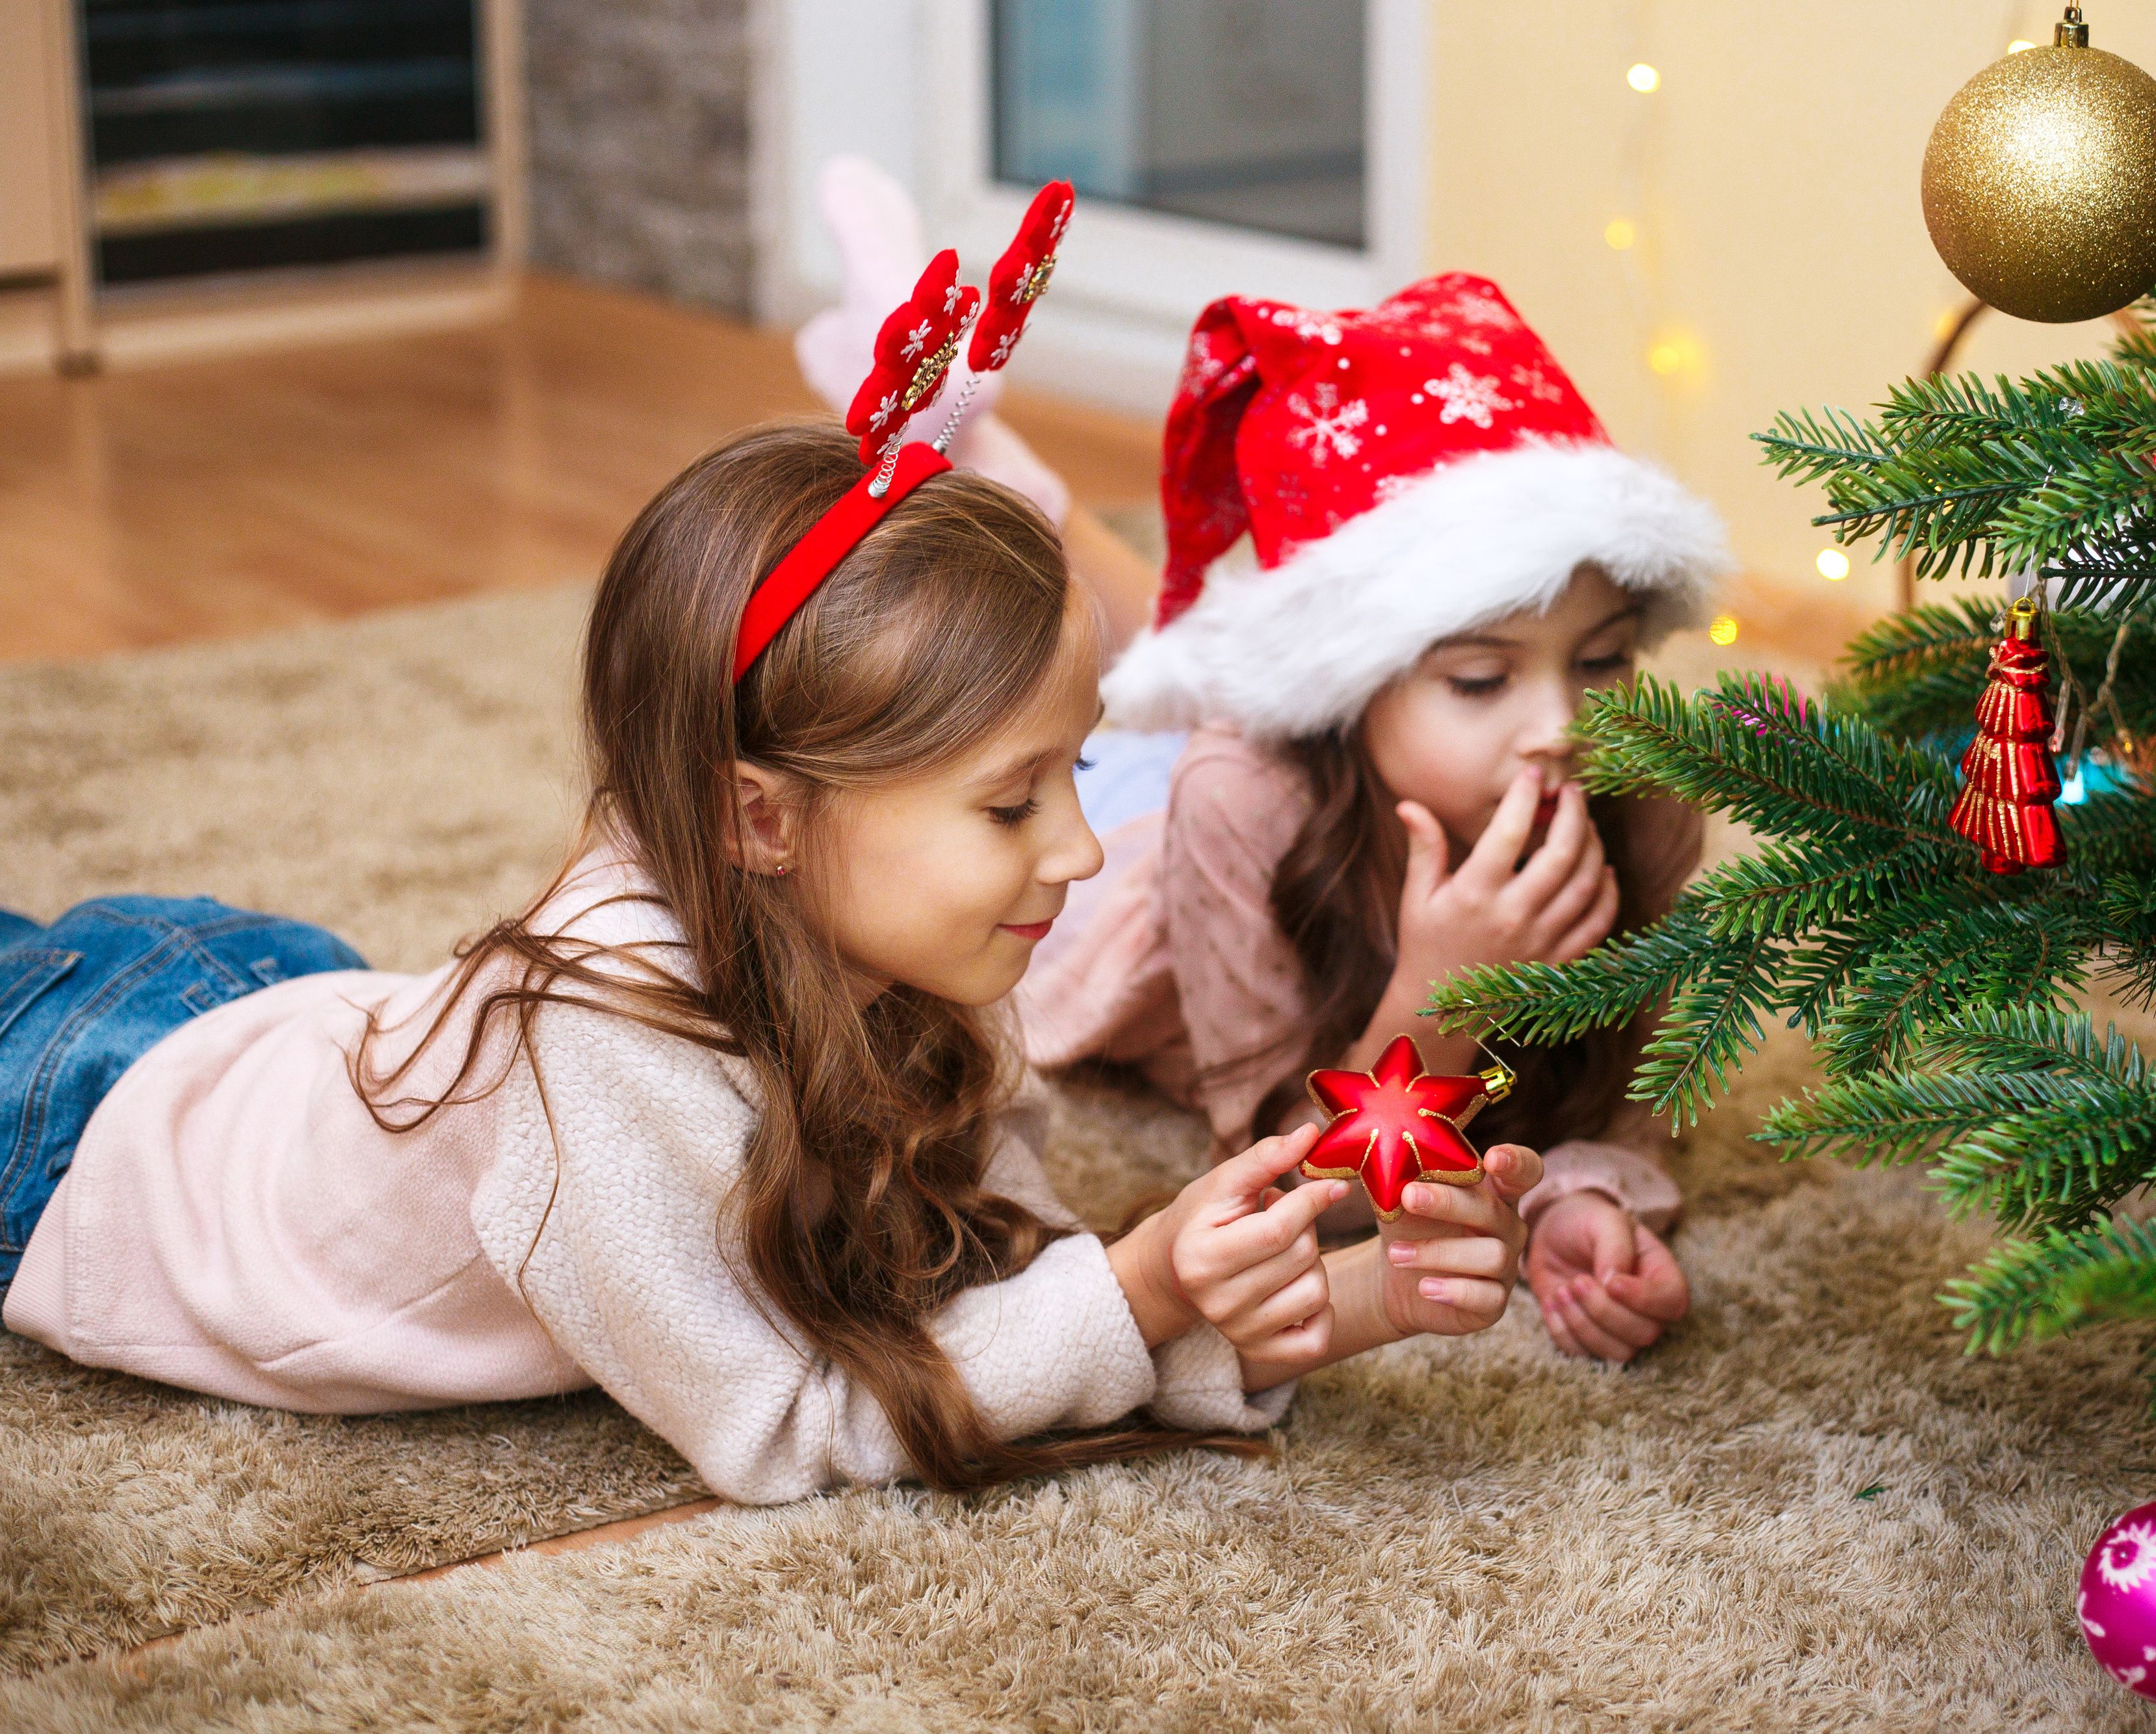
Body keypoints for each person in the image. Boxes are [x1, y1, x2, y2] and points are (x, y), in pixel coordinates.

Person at [1, 397, 1544, 1502]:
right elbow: (788, 1423)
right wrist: (1137, 1292)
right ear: (759, 817)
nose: (1077, 849)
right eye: (1011, 800)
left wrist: (1334, 1304)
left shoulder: (910, 943)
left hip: (286, 997)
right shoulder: (598, 1056)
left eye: (1075, 775)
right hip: (87, 1130)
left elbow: (988, 1290)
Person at [1018, 272, 1731, 1365]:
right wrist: (1436, 1001)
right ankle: (993, 469)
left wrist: (1577, 1199)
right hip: (1142, 855)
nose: (1559, 725)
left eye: (1600, 660)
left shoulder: (1638, 789)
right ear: (1352, 683)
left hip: (1272, 774)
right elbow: (1290, 1184)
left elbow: (1620, 1098)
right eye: (1482, 680)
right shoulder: (1240, 798)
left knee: (1168, 671)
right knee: (1097, 701)